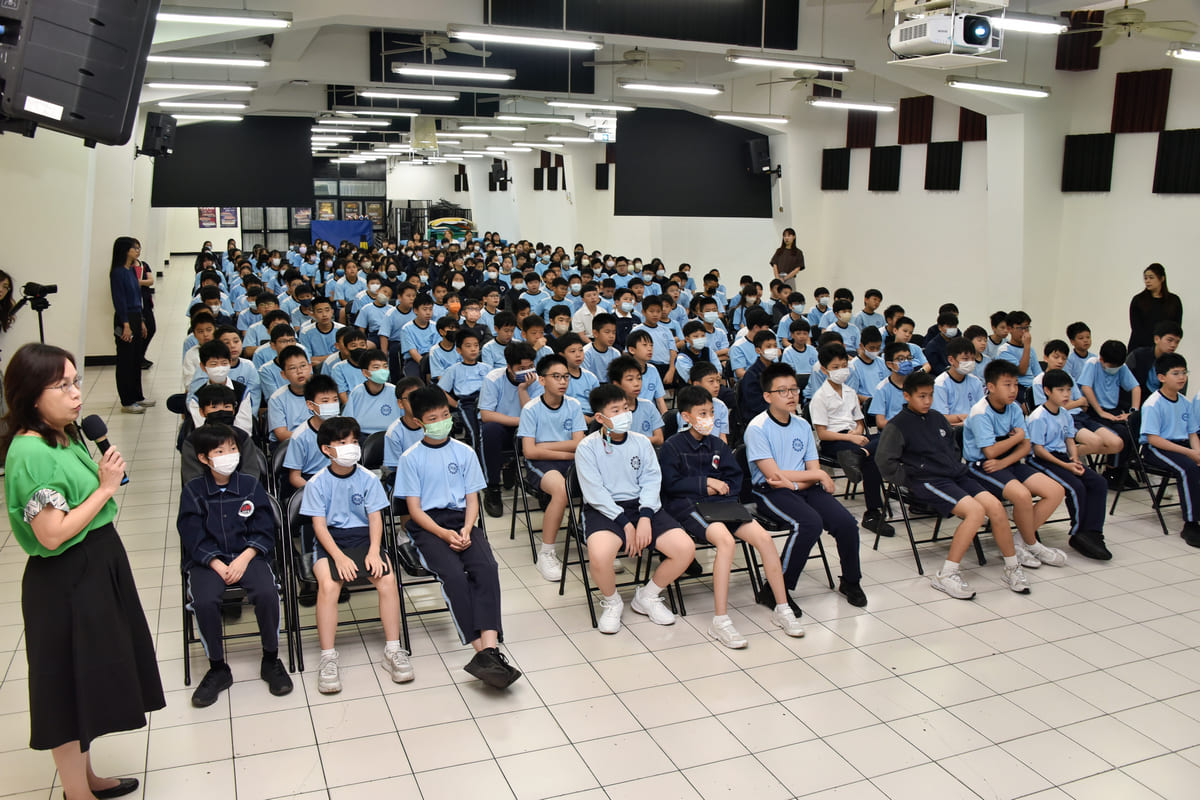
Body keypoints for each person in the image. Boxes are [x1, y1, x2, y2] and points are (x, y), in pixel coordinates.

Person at [3, 343, 164, 800]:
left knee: (87, 678)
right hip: (65, 578)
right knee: (66, 688)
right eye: (63, 386)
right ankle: (76, 792)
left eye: (76, 382)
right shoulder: (30, 452)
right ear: (32, 395)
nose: (77, 393)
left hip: (97, 561)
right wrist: (106, 487)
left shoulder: (63, 434)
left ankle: (86, 777)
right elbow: (52, 534)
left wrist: (99, 475)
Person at [659, 386, 805, 646]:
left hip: (723, 504)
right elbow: (670, 484)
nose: (709, 418)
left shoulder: (718, 444)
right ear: (686, 416)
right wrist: (706, 484)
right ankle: (721, 620)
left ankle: (782, 607)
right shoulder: (672, 446)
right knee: (725, 542)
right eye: (702, 413)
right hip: (689, 505)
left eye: (711, 412)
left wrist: (721, 488)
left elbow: (734, 479)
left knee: (764, 539)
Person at [397, 387, 521, 688]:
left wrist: (467, 528)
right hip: (428, 526)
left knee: (487, 568)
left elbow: (472, 499)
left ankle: (489, 650)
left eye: (444, 415)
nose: (441, 421)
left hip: (462, 520)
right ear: (419, 423)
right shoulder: (411, 458)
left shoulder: (464, 452)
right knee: (453, 576)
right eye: (433, 418)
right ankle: (483, 652)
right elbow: (414, 510)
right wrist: (443, 533)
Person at [876, 371, 1022, 600]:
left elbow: (952, 447)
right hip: (927, 481)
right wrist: (911, 477)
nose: (927, 401)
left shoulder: (937, 417)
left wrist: (953, 465)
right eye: (922, 396)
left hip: (955, 475)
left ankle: (1012, 567)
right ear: (907, 396)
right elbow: (885, 463)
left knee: (996, 507)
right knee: (975, 512)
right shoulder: (897, 425)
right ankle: (946, 574)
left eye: (930, 395)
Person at [177, 423, 293, 707]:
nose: (229, 455)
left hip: (247, 555)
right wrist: (216, 563)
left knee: (267, 593)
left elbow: (265, 529)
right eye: (220, 451)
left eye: (232, 449)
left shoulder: (250, 485)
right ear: (204, 458)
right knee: (204, 601)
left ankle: (270, 659)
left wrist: (245, 556)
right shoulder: (193, 491)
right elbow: (191, 535)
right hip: (208, 561)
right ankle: (217, 668)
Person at [301, 416, 412, 694]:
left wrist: (374, 551)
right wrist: (339, 557)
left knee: (387, 580)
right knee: (329, 586)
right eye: (342, 443)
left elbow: (375, 519)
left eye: (353, 441)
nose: (351, 447)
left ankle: (393, 650)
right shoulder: (316, 483)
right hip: (331, 542)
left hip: (364, 538)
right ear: (327, 449)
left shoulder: (369, 479)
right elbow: (319, 527)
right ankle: (328, 657)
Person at [575, 384, 696, 634]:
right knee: (600, 556)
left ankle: (647, 596)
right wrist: (625, 524)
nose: (624, 414)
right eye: (616, 410)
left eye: (626, 408)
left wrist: (644, 518)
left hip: (643, 506)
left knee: (685, 548)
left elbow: (652, 481)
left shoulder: (641, 442)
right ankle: (612, 602)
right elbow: (595, 493)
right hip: (605, 510)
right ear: (600, 418)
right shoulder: (587, 448)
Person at [746, 362, 867, 609]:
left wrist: (802, 482)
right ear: (768, 396)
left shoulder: (801, 424)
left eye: (794, 389)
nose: (791, 395)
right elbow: (773, 475)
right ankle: (775, 589)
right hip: (770, 491)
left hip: (803, 487)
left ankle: (851, 581)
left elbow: (813, 467)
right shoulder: (757, 427)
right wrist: (816, 476)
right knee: (809, 523)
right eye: (782, 391)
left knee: (846, 523)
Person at [963, 360, 1069, 574]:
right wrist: (1017, 438)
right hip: (982, 467)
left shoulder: (1014, 408)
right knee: (1022, 495)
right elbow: (990, 452)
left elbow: (1027, 446)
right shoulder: (980, 412)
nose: (1013, 390)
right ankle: (1032, 544)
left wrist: (1008, 456)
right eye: (1007, 385)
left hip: (1007, 462)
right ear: (991, 387)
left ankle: (1021, 542)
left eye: (1015, 385)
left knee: (1056, 491)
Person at [1026, 370, 1113, 560]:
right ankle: (1078, 533)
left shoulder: (1065, 414)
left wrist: (1074, 458)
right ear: (1047, 391)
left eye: (1068, 390)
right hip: (1042, 460)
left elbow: (1070, 439)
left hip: (1062, 457)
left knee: (1099, 483)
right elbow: (1038, 450)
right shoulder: (1038, 416)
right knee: (1076, 487)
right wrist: (1065, 466)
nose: (1066, 394)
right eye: (1061, 390)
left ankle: (1093, 531)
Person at [809, 343, 894, 537]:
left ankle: (859, 454)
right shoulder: (819, 397)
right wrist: (850, 437)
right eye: (835, 367)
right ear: (824, 370)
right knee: (872, 458)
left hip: (854, 438)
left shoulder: (850, 392)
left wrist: (857, 433)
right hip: (834, 441)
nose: (841, 370)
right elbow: (822, 434)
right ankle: (873, 513)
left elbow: (859, 422)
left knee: (889, 435)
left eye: (843, 366)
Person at [518, 354, 587, 581]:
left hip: (568, 459)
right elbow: (530, 452)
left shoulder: (574, 405)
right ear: (542, 380)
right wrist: (565, 452)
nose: (562, 381)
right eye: (556, 376)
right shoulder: (531, 409)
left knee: (601, 480)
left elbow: (579, 443)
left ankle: (594, 538)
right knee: (561, 489)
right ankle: (546, 553)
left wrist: (544, 445)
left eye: (566, 377)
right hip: (541, 463)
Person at [1138, 353, 1200, 547]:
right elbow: (1153, 439)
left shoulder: (1185, 402)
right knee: (1187, 469)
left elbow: (1192, 433)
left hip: (1181, 446)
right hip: (1157, 448)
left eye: (1184, 372)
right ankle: (1191, 524)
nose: (1182, 377)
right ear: (1162, 377)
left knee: (1195, 464)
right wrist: (1190, 454)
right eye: (1176, 373)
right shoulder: (1153, 403)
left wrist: (1197, 453)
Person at [110, 236, 153, 414]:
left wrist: (141, 321)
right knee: (126, 361)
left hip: (136, 316)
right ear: (125, 250)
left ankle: (138, 396)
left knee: (136, 359)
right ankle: (127, 401)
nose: (138, 251)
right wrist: (126, 324)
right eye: (134, 248)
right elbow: (119, 300)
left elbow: (137, 298)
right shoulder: (117, 272)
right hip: (124, 319)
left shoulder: (131, 270)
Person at [1129, 262, 1183, 351]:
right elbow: (1136, 328)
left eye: (1151, 277)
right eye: (1145, 278)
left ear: (1162, 278)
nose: (1147, 281)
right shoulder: (1138, 300)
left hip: (1164, 349)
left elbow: (1176, 328)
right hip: (1140, 348)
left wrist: (1164, 344)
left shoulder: (1174, 301)